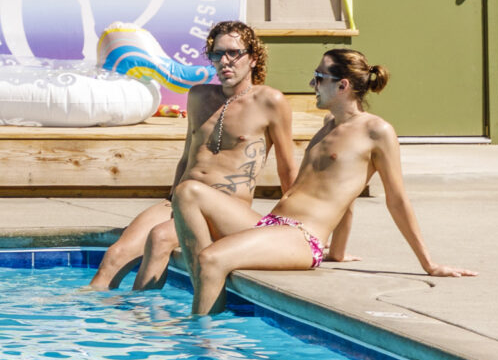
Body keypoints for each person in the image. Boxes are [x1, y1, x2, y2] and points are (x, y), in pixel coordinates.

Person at [174, 47, 475, 318]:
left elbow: (397, 200)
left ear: (342, 85)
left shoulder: (376, 131)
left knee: (212, 258)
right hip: (273, 225)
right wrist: (339, 252)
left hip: (302, 238)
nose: (311, 85)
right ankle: (202, 282)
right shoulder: (327, 126)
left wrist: (428, 263)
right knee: (188, 192)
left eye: (319, 78)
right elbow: (347, 197)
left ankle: (205, 349)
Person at [86, 20, 300, 293]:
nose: (225, 61)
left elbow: (287, 169)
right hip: (179, 202)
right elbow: (187, 156)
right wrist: (173, 198)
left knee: (161, 237)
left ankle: (142, 324)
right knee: (115, 255)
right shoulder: (199, 96)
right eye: (217, 54)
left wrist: (296, 232)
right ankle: (83, 314)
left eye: (234, 53)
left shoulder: (270, 102)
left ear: (253, 59)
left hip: (222, 207)